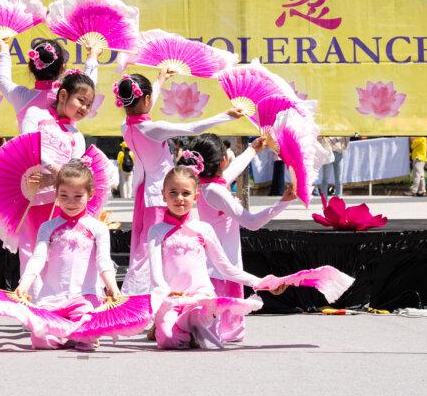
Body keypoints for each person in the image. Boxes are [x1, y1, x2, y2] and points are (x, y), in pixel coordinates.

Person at [114, 72, 246, 294]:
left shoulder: (126, 128)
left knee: (146, 246)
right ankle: (148, 293)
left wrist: (159, 81)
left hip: (145, 193)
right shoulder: (153, 129)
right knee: (158, 247)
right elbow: (192, 129)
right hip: (162, 194)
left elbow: (142, 104)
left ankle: (145, 293)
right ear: (146, 99)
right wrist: (226, 115)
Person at [146, 153, 287, 350]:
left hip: (201, 297)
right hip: (171, 298)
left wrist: (261, 282)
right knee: (170, 341)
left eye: (186, 193)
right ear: (163, 195)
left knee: (207, 337)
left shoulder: (204, 229)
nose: (179, 199)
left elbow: (227, 268)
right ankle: (174, 328)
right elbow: (155, 272)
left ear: (195, 196)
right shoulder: (156, 231)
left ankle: (188, 327)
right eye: (173, 193)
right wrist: (167, 292)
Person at [12, 160, 119, 349]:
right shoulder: (48, 227)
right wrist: (24, 286)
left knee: (86, 332)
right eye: (64, 195)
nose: (70, 202)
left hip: (84, 297)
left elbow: (104, 261)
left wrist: (113, 288)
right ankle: (73, 332)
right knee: (39, 339)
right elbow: (38, 258)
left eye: (78, 196)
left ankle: (75, 332)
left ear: (90, 194)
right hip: (52, 297)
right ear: (56, 195)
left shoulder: (98, 228)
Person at [187, 133, 295, 296]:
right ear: (223, 160)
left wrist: (252, 150)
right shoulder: (216, 191)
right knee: (228, 319)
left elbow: (233, 170)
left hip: (221, 270)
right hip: (223, 274)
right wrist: (283, 202)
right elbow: (252, 223)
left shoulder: (207, 185)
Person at [17, 70, 98, 266]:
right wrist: (54, 170)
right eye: (81, 100)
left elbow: (74, 172)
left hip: (59, 198)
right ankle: (29, 293)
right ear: (63, 95)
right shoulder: (35, 114)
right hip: (31, 192)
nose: (84, 108)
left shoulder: (77, 136)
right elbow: (28, 145)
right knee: (30, 247)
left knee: (57, 248)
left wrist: (53, 178)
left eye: (88, 105)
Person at [0, 36, 99, 131]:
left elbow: (3, 80)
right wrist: (93, 56)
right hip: (64, 152)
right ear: (62, 68)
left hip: (28, 152)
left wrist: (4, 50)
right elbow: (88, 85)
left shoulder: (21, 97)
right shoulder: (67, 95)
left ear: (31, 68)